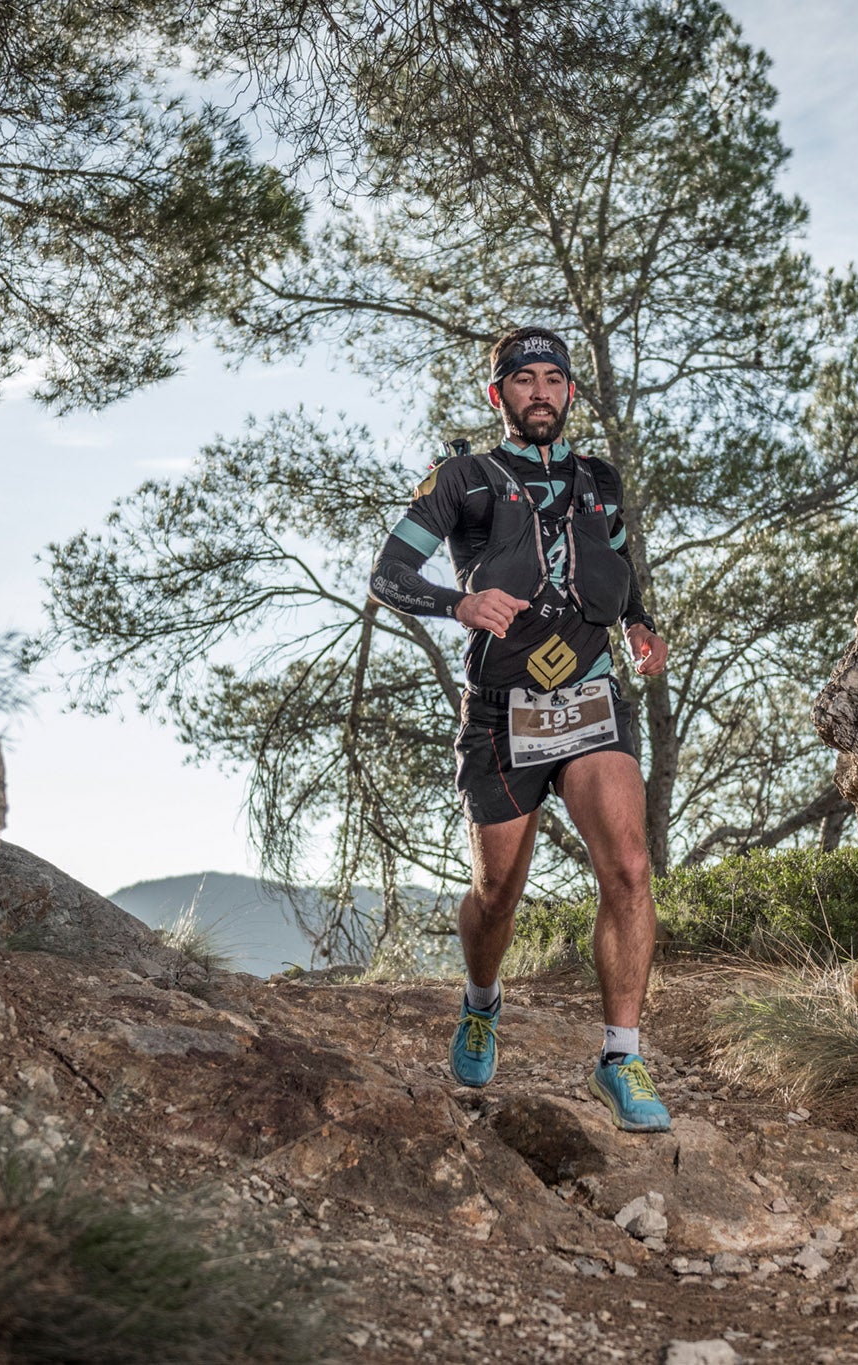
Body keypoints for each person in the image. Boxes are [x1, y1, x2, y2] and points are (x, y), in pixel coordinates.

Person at [368, 326, 673, 1132]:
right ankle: (479, 1002)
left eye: (553, 379)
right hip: (502, 710)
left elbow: (618, 558)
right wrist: (457, 602)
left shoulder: (599, 480)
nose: (540, 391)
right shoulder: (464, 478)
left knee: (631, 869)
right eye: (523, 380)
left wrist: (639, 624)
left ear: (570, 393)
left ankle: (621, 1056)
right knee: (497, 892)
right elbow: (388, 571)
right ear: (497, 394)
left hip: (591, 695)